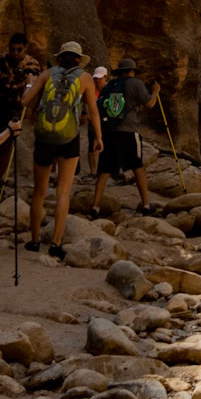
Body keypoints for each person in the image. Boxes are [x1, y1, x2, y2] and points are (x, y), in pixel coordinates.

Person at [24, 39, 101, 260]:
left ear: (60, 57)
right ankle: (56, 244)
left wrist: (29, 83)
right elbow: (93, 112)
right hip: (70, 138)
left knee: (39, 192)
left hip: (45, 137)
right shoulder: (85, 78)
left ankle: (34, 240)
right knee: (63, 192)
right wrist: (99, 137)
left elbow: (26, 102)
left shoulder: (47, 74)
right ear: (79, 59)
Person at [92, 58, 158, 215]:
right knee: (137, 167)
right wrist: (156, 91)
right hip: (128, 131)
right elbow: (149, 103)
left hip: (108, 131)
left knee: (105, 170)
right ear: (132, 71)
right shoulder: (135, 83)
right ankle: (146, 205)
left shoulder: (109, 86)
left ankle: (95, 206)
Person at [0, 34, 34, 188]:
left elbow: (31, 86)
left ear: (25, 49)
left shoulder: (31, 64)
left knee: (6, 145)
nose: (15, 52)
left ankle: (1, 178)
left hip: (15, 108)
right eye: (12, 49)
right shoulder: (2, 60)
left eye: (19, 50)